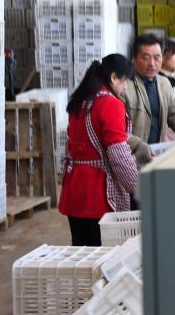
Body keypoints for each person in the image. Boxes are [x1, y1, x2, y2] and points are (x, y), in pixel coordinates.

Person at [59, 54, 141, 246]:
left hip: (74, 188)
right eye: (125, 81)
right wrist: (138, 187)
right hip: (98, 194)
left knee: (81, 249)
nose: (125, 87)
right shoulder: (110, 104)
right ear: (113, 77)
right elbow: (119, 156)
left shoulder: (81, 100)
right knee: (102, 252)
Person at [121, 33, 175, 160]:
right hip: (131, 158)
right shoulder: (124, 87)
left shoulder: (164, 83)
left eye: (157, 57)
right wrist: (137, 145)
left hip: (158, 154)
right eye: (146, 58)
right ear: (134, 58)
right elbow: (118, 129)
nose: (152, 63)